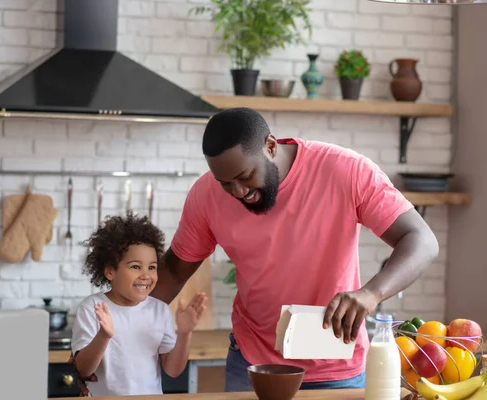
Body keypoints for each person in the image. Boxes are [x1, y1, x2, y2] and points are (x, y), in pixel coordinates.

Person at [73, 107, 439, 394]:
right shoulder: (206, 195)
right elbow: (169, 274)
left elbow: (421, 240)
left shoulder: (346, 171)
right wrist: (104, 341)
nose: (237, 192)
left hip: (334, 367)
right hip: (251, 366)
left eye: (246, 177)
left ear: (270, 146)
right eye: (225, 182)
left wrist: (371, 293)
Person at [70, 212, 207, 397]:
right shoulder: (93, 308)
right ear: (110, 271)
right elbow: (84, 370)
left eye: (152, 267)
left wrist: (184, 333)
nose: (146, 275)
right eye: (135, 266)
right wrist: (104, 335)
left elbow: (173, 371)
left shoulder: (160, 310)